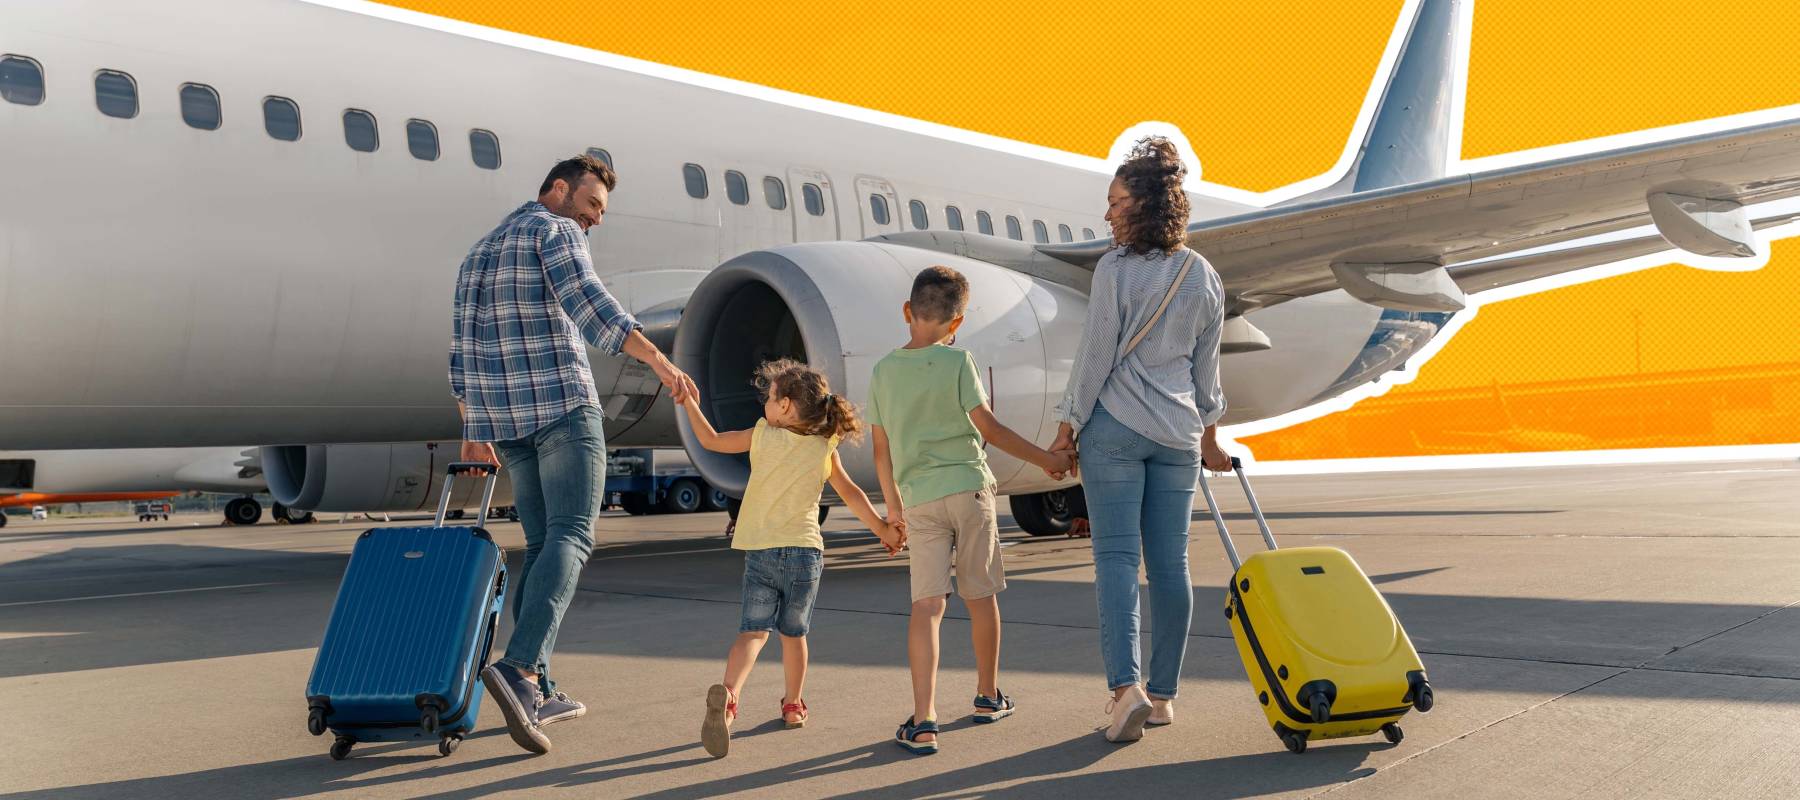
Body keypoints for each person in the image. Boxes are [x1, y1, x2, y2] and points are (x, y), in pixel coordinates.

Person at [449, 154, 694, 755]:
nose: (595, 220)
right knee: (574, 536)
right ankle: (521, 669)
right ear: (558, 190)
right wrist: (659, 360)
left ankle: (541, 685)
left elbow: (462, 351)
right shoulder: (553, 230)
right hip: (561, 408)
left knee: (542, 543)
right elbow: (590, 304)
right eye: (592, 205)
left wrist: (473, 425)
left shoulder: (478, 252)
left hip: (509, 424)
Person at [1050, 136, 1231, 743]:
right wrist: (1210, 439)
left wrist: (1066, 424)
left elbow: (1097, 354)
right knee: (1171, 567)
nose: (1107, 213)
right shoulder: (1204, 274)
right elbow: (1207, 372)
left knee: (1117, 563)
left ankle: (1123, 690)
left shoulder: (1115, 270)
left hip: (1117, 432)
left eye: (1116, 202)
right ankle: (1163, 697)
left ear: (1145, 206)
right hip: (1179, 436)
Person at [867, 266, 1074, 755]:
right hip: (969, 490)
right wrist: (1047, 460)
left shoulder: (882, 371)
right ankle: (987, 695)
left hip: (919, 499)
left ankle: (923, 721)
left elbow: (882, 450)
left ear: (906, 312)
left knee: (927, 607)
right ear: (957, 322)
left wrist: (893, 512)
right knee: (980, 597)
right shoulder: (960, 361)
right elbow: (991, 429)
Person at [682, 359, 904, 759]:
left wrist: (689, 403)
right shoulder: (824, 446)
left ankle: (729, 698)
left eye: (769, 397)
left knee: (752, 632)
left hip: (761, 550)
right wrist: (883, 529)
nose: (765, 404)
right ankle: (793, 705)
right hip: (803, 553)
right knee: (794, 635)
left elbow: (712, 440)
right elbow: (851, 492)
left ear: (784, 406)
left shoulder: (763, 434)